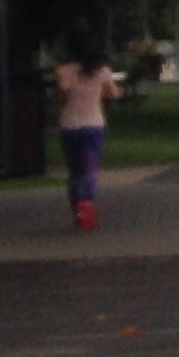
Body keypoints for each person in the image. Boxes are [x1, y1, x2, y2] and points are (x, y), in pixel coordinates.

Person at [51, 30, 122, 231]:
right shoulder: (101, 70)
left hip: (69, 126)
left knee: (74, 171)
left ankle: (78, 209)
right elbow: (113, 93)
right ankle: (87, 201)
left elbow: (60, 97)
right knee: (89, 167)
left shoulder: (64, 70)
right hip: (94, 125)